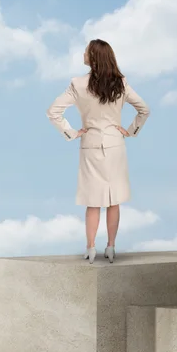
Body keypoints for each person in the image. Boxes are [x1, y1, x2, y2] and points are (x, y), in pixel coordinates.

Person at [46, 39, 150, 264]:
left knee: (93, 201)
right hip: (115, 145)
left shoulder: (77, 84)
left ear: (93, 57)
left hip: (90, 144)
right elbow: (144, 109)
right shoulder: (121, 83)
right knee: (114, 200)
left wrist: (71, 133)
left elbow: (53, 112)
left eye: (86, 51)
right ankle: (111, 247)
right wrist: (131, 131)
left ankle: (90, 248)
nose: (83, 53)